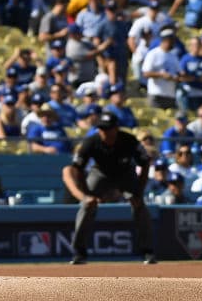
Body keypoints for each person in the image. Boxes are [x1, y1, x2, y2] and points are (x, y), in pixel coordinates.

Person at [62, 112, 156, 265]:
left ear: (116, 129)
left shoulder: (129, 140)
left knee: (139, 205)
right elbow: (77, 168)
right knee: (87, 205)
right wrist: (87, 194)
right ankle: (79, 252)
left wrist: (138, 192)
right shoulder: (91, 142)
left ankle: (148, 251)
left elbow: (145, 163)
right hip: (101, 173)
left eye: (108, 129)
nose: (104, 132)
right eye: (101, 129)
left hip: (125, 173)